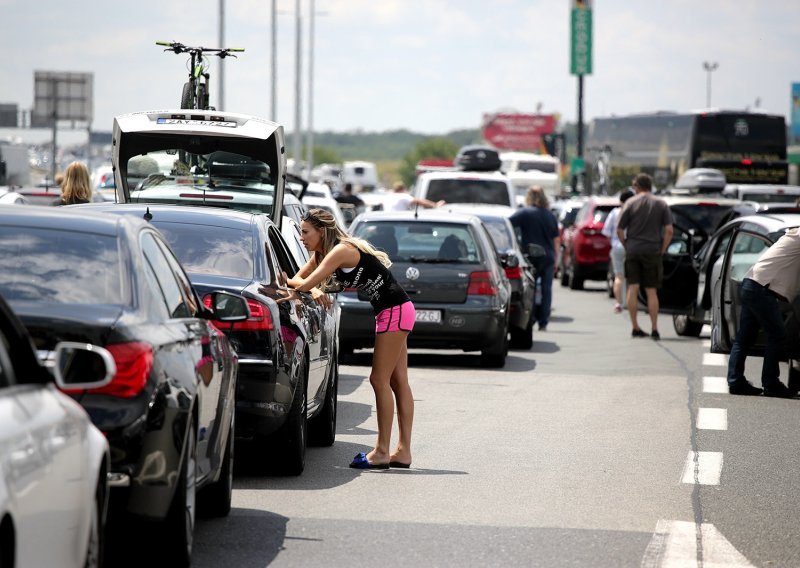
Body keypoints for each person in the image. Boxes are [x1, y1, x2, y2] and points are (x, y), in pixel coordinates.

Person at [288, 208, 416, 469]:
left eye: (305, 232)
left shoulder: (340, 251)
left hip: (394, 311)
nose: (302, 238)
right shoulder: (323, 254)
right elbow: (300, 280)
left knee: (379, 379)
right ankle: (402, 452)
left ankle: (382, 451)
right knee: (397, 380)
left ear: (321, 231)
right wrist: (312, 289)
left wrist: (309, 288)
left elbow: (298, 284)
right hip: (395, 310)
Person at [726, 227, 800, 397]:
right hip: (761, 288)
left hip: (752, 283)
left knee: (744, 337)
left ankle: (735, 381)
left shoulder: (793, 234)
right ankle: (771, 383)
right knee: (778, 335)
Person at [616, 173, 673, 340]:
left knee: (633, 287)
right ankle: (655, 328)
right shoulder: (661, 204)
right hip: (653, 250)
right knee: (651, 291)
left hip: (633, 249)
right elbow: (669, 230)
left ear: (637, 186)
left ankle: (635, 327)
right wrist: (662, 249)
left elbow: (619, 230)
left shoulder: (630, 203)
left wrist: (627, 245)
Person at [509, 185, 560, 331]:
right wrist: (556, 259)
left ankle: (529, 319)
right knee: (546, 290)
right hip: (548, 257)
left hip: (530, 256)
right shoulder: (550, 215)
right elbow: (556, 239)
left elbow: (507, 224)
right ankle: (543, 322)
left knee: (529, 289)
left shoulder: (524, 213)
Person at [602, 188, 635, 313]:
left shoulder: (615, 213)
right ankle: (631, 302)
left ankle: (618, 303)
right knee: (632, 277)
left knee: (619, 276)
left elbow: (606, 231)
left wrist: (613, 241)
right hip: (632, 246)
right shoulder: (635, 213)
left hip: (616, 246)